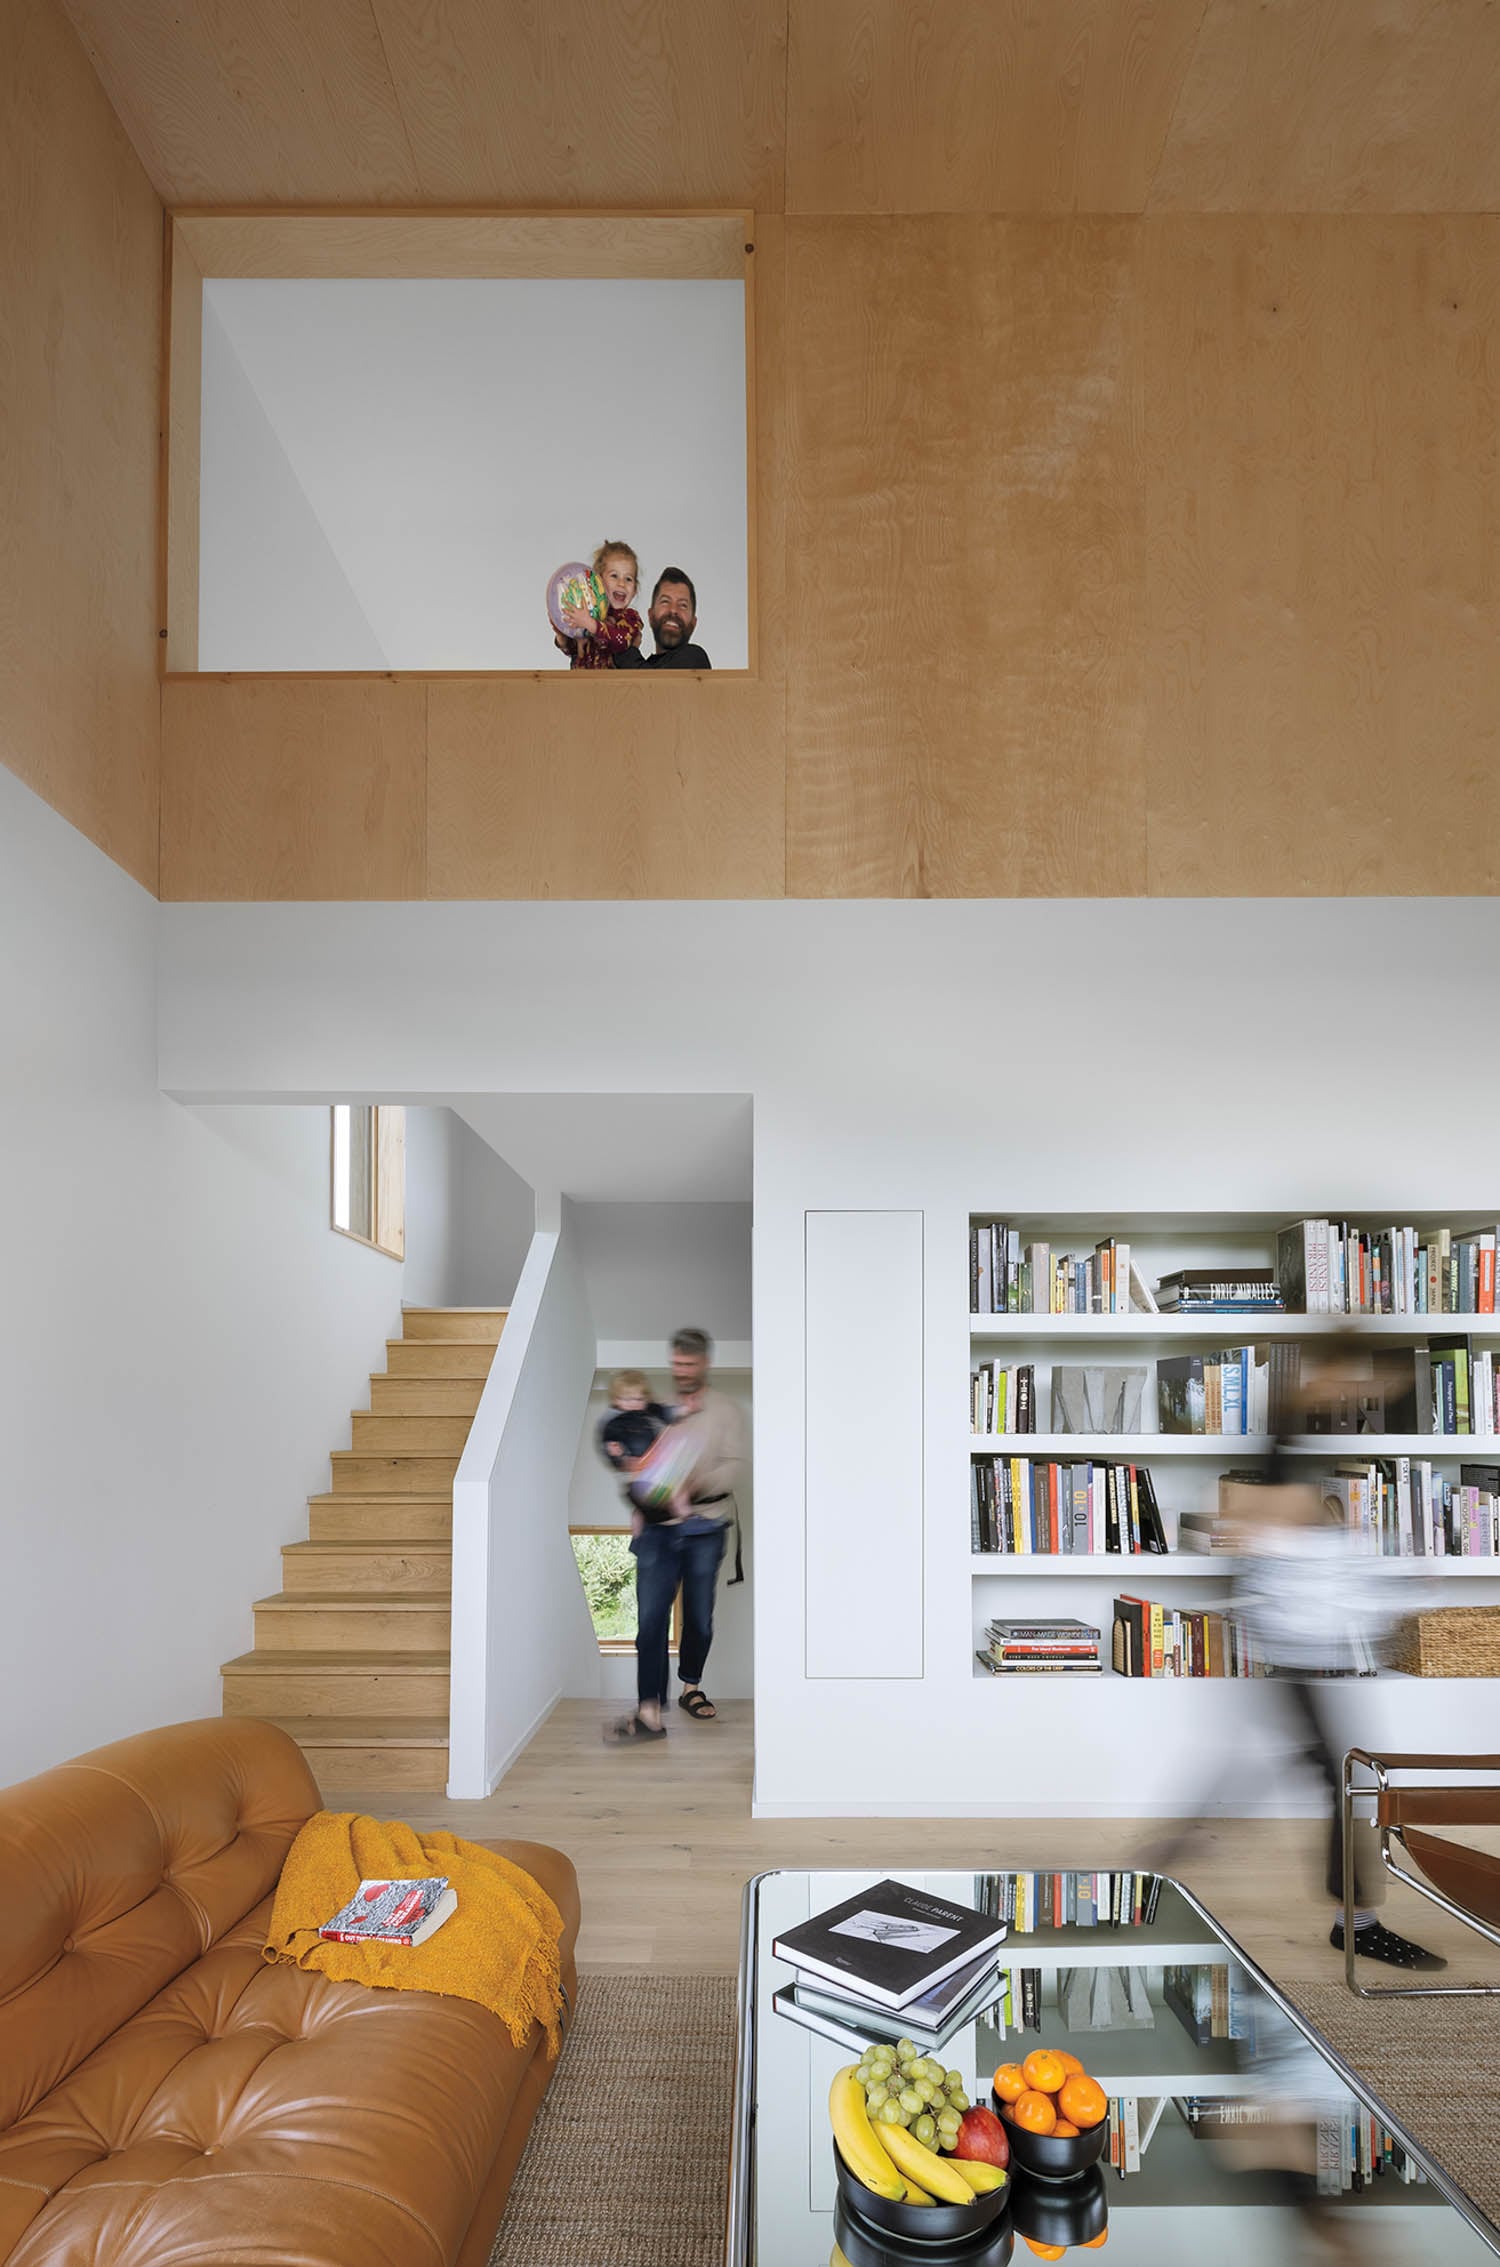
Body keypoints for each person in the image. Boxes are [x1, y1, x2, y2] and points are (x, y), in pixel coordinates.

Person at [605, 1327, 746, 1745]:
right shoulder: (656, 1410)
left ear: (704, 1363)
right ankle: (649, 1711)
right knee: (650, 1620)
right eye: (675, 1365)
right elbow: (634, 1460)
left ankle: (691, 1687)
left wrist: (693, 1483)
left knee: (699, 1619)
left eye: (688, 1364)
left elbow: (734, 1466)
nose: (680, 1371)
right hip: (657, 1531)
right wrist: (639, 1485)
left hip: (706, 1527)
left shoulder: (726, 1411)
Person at [555, 539, 643, 669]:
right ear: (598, 582)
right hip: (581, 686)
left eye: (628, 579)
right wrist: (562, 635)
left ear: (635, 590)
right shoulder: (589, 613)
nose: (621, 583)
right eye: (614, 576)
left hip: (613, 687)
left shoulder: (630, 618)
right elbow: (573, 651)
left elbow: (622, 641)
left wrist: (591, 624)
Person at [614, 567, 712, 670]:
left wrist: (623, 646)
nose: (673, 610)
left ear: (693, 623)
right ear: (651, 615)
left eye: (683, 605)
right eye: (665, 601)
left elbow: (654, 684)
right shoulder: (640, 666)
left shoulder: (695, 658)